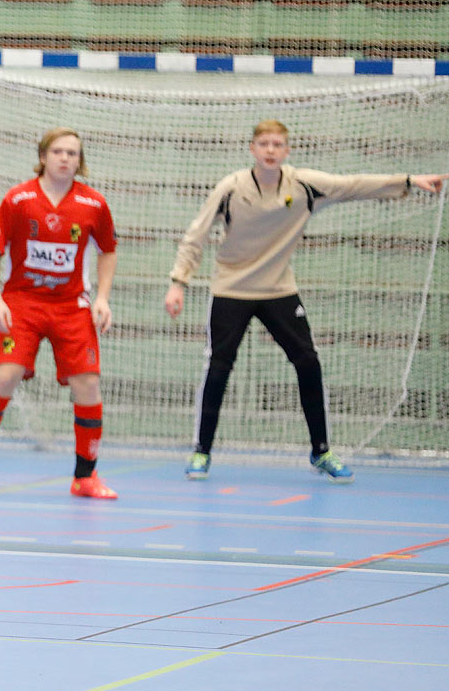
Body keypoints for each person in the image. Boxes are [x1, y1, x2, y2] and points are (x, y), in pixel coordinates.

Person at [165, 119, 445, 483]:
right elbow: (195, 235)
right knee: (219, 367)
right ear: (252, 148)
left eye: (277, 144)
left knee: (308, 362)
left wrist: (407, 181)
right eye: (263, 143)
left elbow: (353, 186)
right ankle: (201, 451)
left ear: (286, 150)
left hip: (279, 289)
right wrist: (178, 282)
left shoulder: (304, 184)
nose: (270, 150)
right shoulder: (231, 188)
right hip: (231, 288)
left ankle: (321, 451)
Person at [0, 128, 119, 500]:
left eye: (73, 153)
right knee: (5, 375)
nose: (65, 158)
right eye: (58, 151)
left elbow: (108, 249)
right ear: (43, 156)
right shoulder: (19, 199)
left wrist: (103, 298)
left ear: (80, 159)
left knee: (88, 383)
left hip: (71, 305)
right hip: (23, 302)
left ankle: (85, 477)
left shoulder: (93, 204)